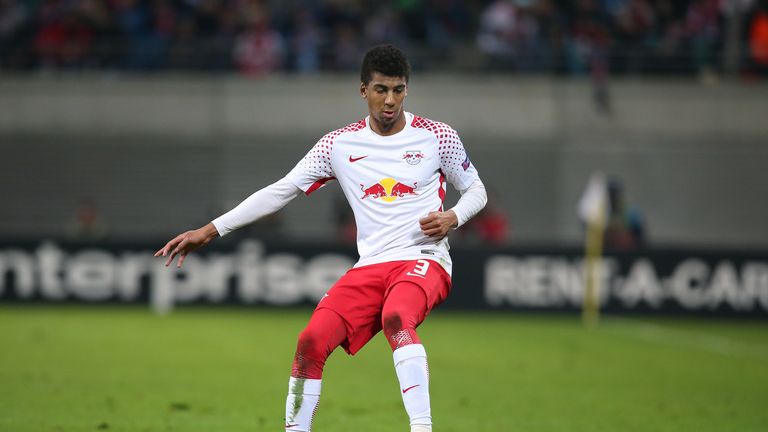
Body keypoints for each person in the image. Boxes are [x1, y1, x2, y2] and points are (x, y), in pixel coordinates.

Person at [155, 44, 487, 432]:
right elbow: (283, 190)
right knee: (310, 340)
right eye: (381, 89)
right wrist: (210, 230)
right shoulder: (338, 145)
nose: (390, 100)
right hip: (371, 265)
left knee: (397, 316)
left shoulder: (436, 136)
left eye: (398, 90)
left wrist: (454, 217)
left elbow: (476, 189)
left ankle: (422, 428)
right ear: (363, 90)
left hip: (423, 257)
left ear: (407, 90)